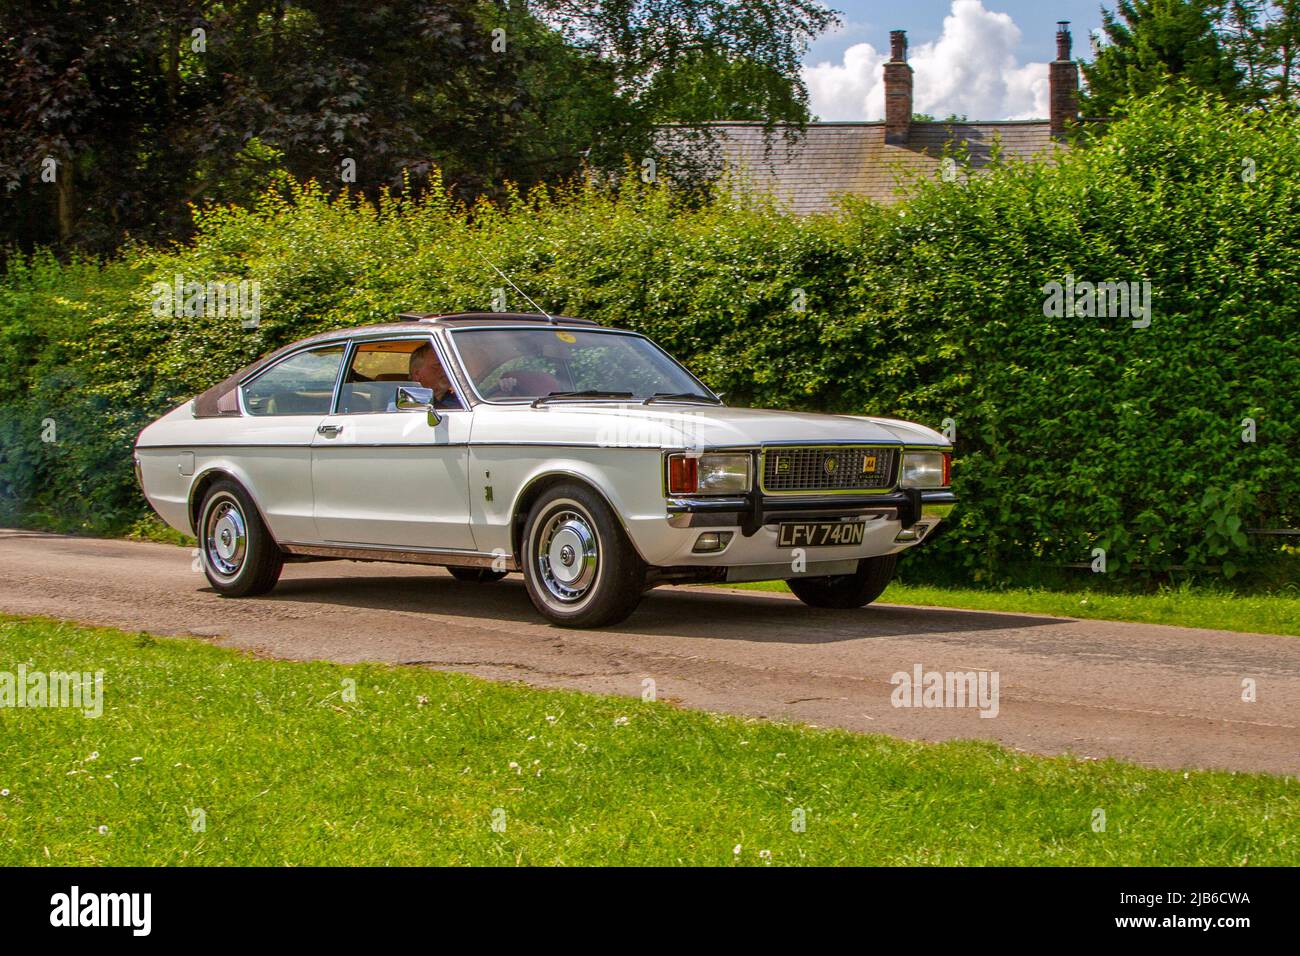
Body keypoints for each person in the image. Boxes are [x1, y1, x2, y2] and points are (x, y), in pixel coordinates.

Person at [406, 343, 463, 409]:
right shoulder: (402, 402)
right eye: (438, 365)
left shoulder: (462, 400)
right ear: (417, 374)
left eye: (447, 365)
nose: (446, 370)